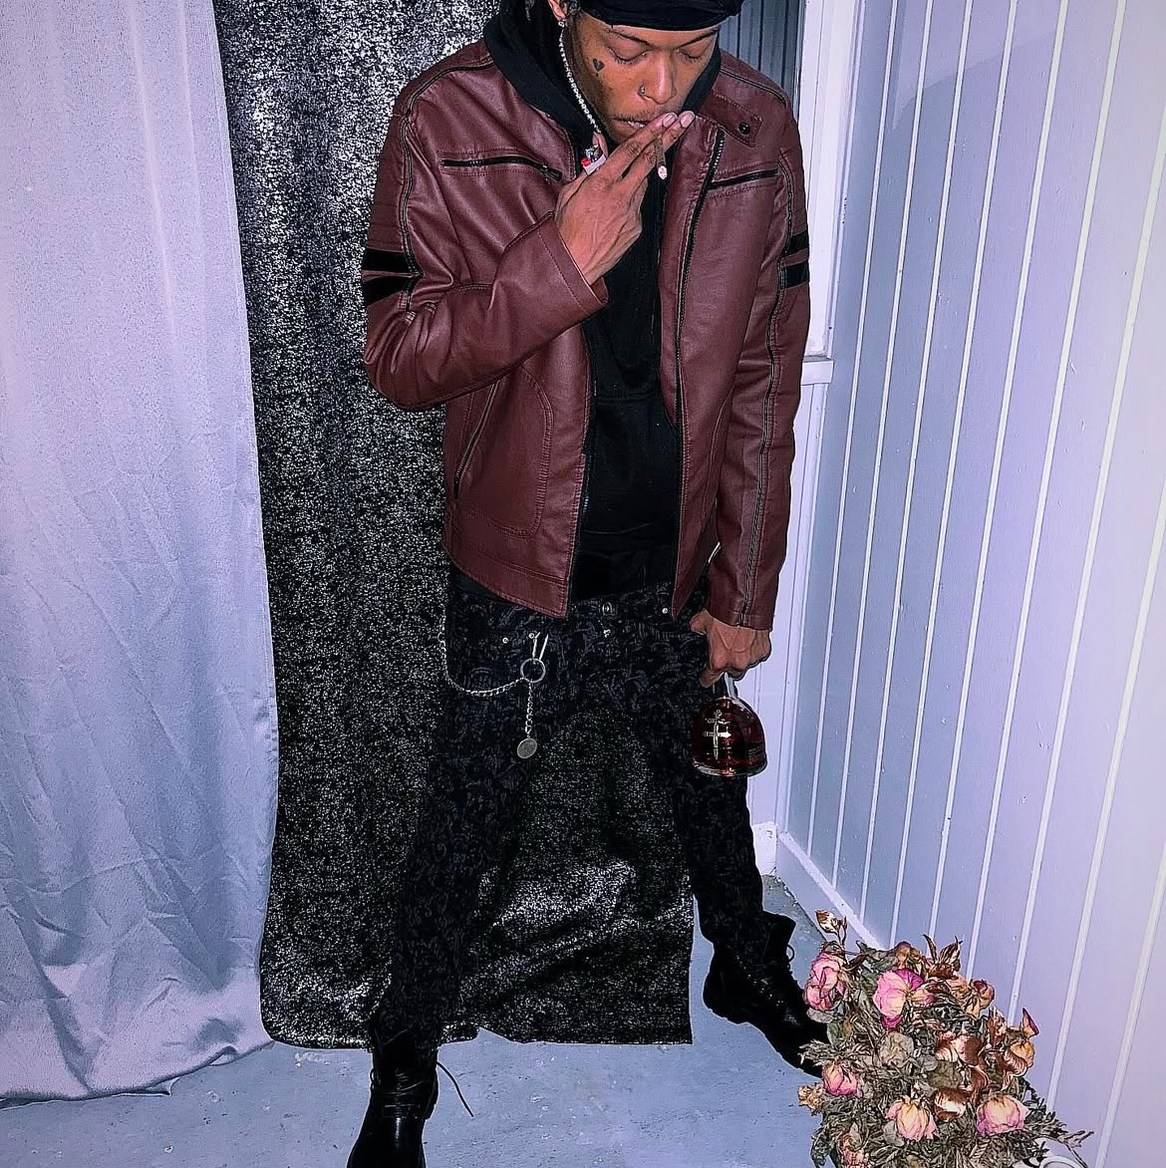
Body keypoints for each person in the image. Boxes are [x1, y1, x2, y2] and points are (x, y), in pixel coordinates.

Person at [352, 0, 822, 1163]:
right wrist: (554, 265)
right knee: (462, 824)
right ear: (562, 3)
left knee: (710, 781)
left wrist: (743, 586)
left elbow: (762, 373)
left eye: (692, 52)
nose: (664, 87)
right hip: (519, 565)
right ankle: (404, 1050)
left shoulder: (753, 126)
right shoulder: (449, 115)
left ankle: (743, 964)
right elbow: (399, 358)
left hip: (676, 562)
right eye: (628, 51)